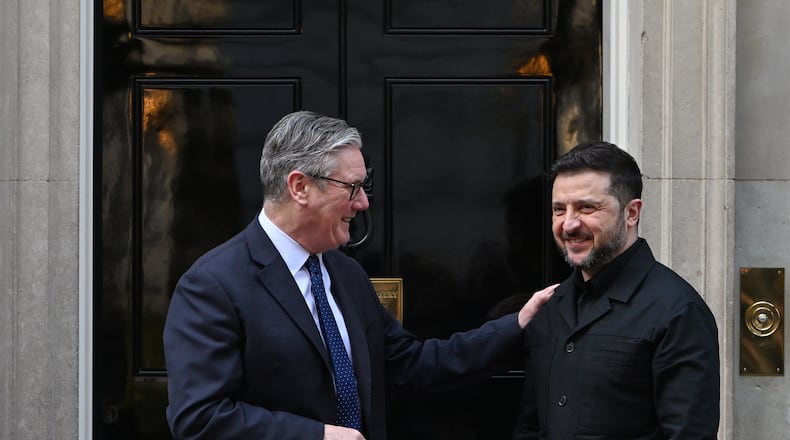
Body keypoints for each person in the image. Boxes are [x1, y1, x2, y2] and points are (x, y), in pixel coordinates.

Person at [163, 110, 556, 440]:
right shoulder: (213, 285)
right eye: (352, 188)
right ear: (300, 187)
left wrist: (517, 326)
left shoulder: (344, 273)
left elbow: (410, 364)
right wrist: (317, 436)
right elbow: (201, 417)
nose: (364, 202)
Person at [512, 141, 720, 439]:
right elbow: (530, 427)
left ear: (631, 213)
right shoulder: (551, 307)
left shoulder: (678, 311)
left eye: (587, 207)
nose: (568, 224)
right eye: (559, 209)